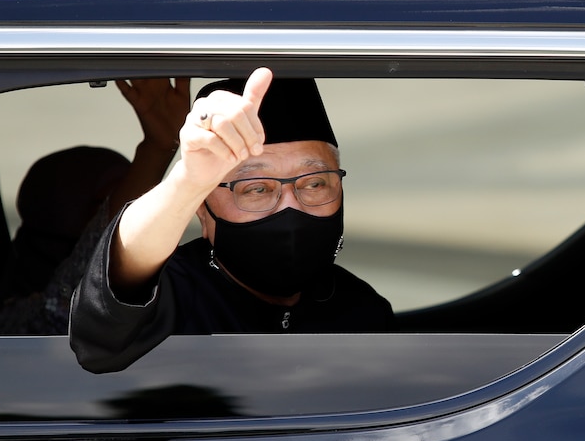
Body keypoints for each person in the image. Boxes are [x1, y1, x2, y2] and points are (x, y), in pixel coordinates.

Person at [69, 67, 395, 373]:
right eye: (255, 188)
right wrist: (188, 181)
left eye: (314, 183)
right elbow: (99, 333)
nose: (289, 207)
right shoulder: (173, 296)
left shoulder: (362, 308)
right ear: (202, 208)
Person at [0, 78, 190, 334]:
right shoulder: (10, 331)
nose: (137, 220)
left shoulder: (178, 294)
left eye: (142, 199)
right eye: (104, 207)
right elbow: (70, 305)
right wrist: (157, 149)